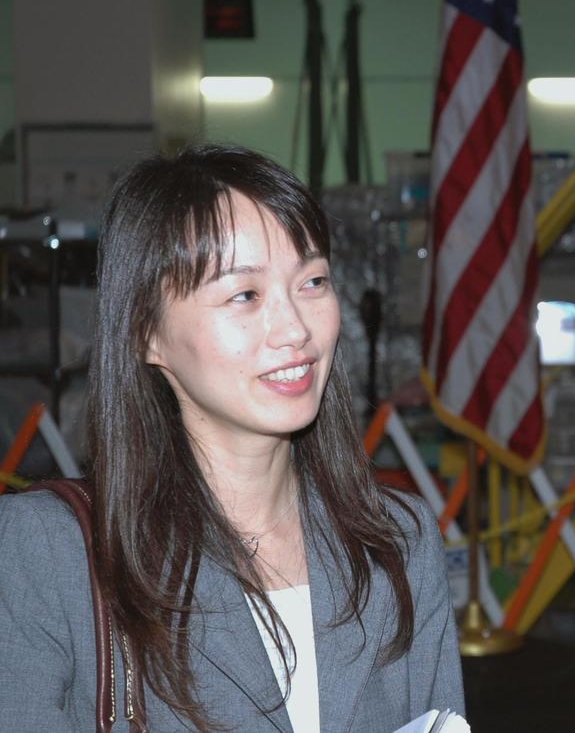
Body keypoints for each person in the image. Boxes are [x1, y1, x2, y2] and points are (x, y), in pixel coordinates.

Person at [0, 145, 464, 731]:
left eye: (313, 281)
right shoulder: (51, 553)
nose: (295, 329)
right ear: (145, 332)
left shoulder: (399, 541)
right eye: (245, 295)